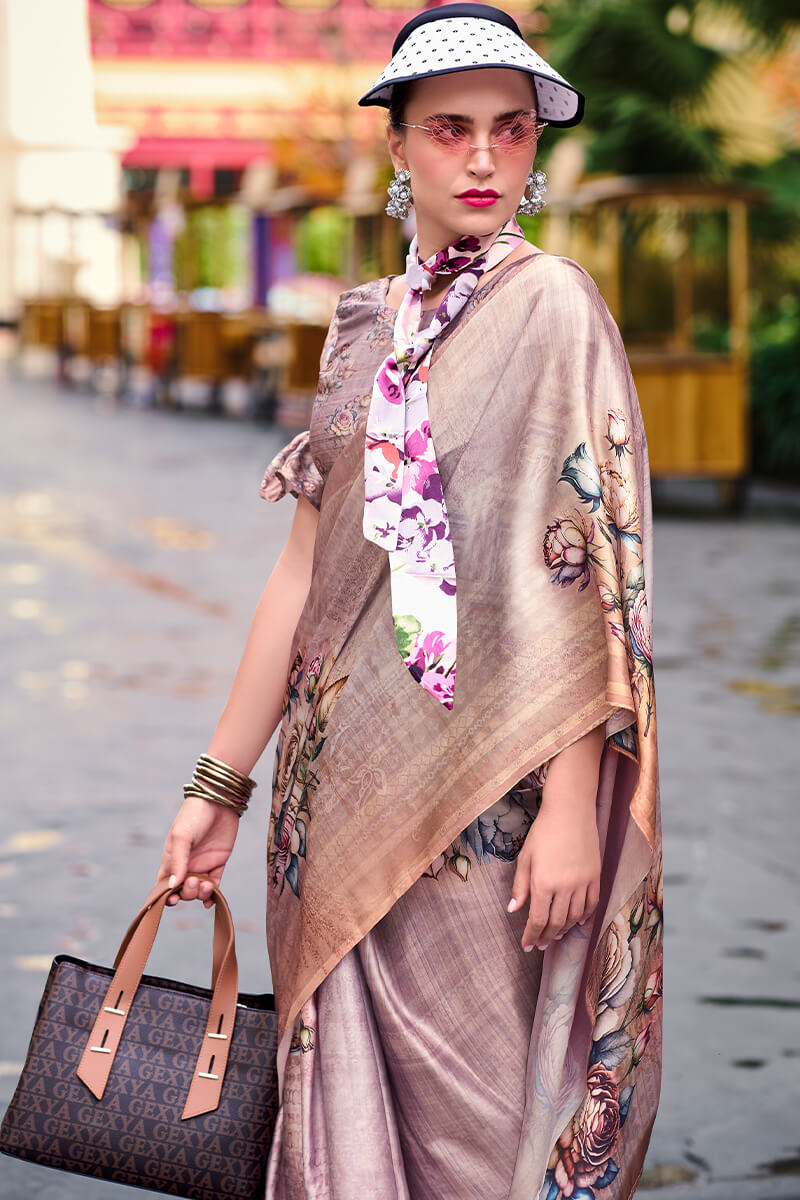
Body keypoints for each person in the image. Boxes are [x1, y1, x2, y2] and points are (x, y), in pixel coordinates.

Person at [157, 5, 663, 1198]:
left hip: (492, 805)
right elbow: (303, 577)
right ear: (397, 148)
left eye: (508, 130)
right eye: (448, 129)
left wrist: (576, 803)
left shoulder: (555, 312)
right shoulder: (362, 334)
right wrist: (217, 786)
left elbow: (592, 564)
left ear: (534, 149)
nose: (482, 157)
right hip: (330, 808)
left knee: (486, 1144)